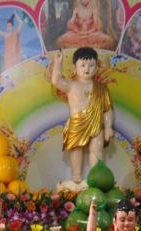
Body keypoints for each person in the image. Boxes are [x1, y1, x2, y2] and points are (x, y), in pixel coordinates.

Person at [51, 47, 113, 187]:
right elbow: (56, 80)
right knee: (76, 149)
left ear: (97, 67)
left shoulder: (102, 88)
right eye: (83, 65)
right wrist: (58, 63)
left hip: (96, 122)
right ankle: (76, 177)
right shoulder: (71, 85)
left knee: (97, 149)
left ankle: (96, 177)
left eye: (91, 65)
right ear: (75, 67)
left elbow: (107, 109)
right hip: (77, 122)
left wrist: (108, 127)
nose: (87, 69)